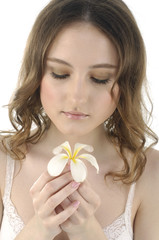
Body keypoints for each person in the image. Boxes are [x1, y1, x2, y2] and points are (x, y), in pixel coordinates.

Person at [0, 0, 159, 239]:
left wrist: (89, 234)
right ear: (38, 73)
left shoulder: (149, 171)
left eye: (100, 78)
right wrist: (38, 229)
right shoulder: (4, 160)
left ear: (127, 83)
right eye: (60, 74)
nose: (77, 97)